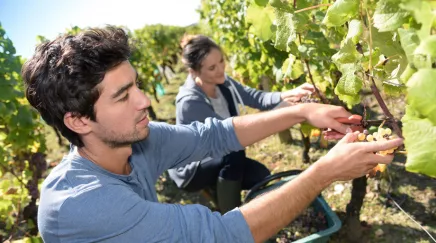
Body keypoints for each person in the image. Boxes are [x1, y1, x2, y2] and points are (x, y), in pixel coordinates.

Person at [22, 26, 402, 243]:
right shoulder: (79, 205)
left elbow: (213, 136)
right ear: (78, 121)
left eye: (136, 85)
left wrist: (300, 111)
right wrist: (324, 173)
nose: (143, 101)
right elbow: (221, 236)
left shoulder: (137, 141)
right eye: (123, 96)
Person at [168, 34, 316, 213]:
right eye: (212, 67)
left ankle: (224, 195)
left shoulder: (223, 81)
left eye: (222, 61)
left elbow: (255, 97)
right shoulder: (190, 102)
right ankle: (232, 220)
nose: (221, 69)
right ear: (194, 72)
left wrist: (286, 95)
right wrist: (286, 112)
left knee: (261, 176)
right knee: (235, 153)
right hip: (191, 168)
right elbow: (231, 136)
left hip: (218, 155)